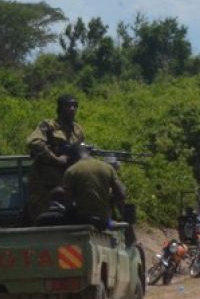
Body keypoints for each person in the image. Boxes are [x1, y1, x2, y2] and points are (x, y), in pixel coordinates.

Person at [26, 94, 85, 222]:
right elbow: (34, 142)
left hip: (68, 186)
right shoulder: (49, 126)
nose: (72, 109)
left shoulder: (77, 130)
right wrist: (56, 159)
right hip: (46, 188)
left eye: (75, 105)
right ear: (60, 108)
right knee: (44, 223)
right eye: (68, 105)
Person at [62, 144, 126, 230]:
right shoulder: (107, 168)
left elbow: (68, 204)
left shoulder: (71, 171)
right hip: (104, 222)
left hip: (82, 221)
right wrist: (108, 200)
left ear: (71, 157)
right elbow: (121, 194)